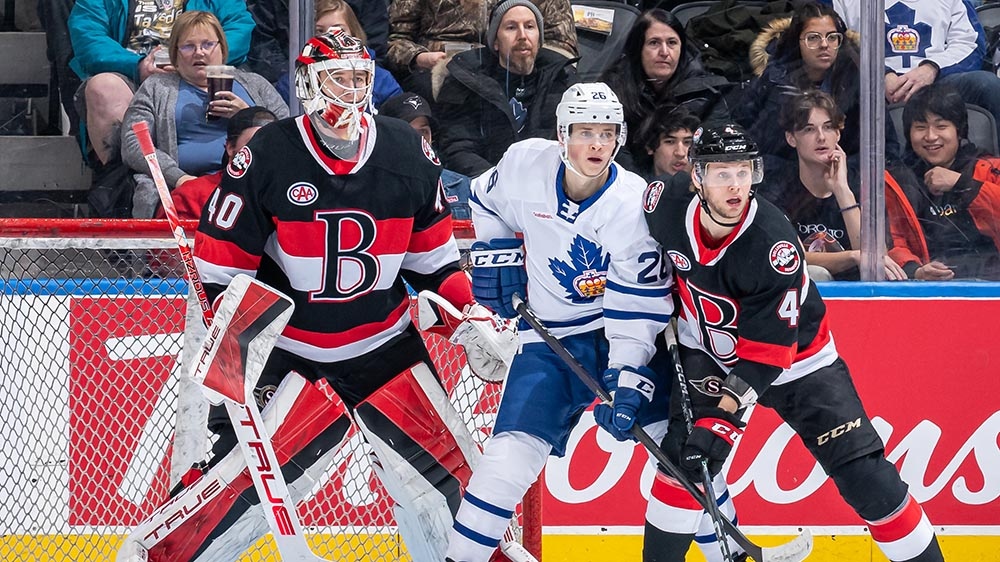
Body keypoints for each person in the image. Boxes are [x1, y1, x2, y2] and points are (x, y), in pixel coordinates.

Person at [181, 28, 516, 562]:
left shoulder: (407, 149)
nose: (351, 91)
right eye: (338, 78)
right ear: (309, 84)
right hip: (292, 354)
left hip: (384, 349)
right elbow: (222, 268)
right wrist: (237, 340)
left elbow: (433, 262)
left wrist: (467, 313)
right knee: (234, 494)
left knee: (456, 493)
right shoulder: (268, 152)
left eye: (360, 78)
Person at [445, 83, 744, 562]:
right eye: (585, 132)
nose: (597, 145)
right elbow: (482, 202)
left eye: (607, 133)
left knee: (682, 452)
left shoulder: (633, 206)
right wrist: (494, 251)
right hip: (550, 339)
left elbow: (639, 308)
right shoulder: (524, 164)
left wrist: (628, 377)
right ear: (562, 134)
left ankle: (728, 553)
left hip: (622, 336)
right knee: (506, 461)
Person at [643, 122, 946, 562]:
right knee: (682, 467)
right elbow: (620, 231)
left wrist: (721, 421)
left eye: (743, 172)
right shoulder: (664, 203)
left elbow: (768, 355)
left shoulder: (772, 243)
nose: (735, 185)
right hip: (707, 351)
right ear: (696, 177)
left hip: (801, 364)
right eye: (722, 173)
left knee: (865, 477)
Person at [120, 11, 288, 219]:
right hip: (184, 189)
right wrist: (179, 178)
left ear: (222, 48)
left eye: (208, 44)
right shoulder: (156, 87)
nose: (199, 52)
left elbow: (288, 136)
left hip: (252, 184)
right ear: (175, 54)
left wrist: (247, 115)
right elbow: (133, 142)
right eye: (188, 46)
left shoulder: (256, 84)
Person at [68, 0, 253, 167]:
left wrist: (189, 60)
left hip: (197, 74)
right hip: (131, 75)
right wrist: (138, 65)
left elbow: (239, 28)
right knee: (103, 87)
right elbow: (87, 37)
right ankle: (121, 185)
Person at [759, 89, 906, 281]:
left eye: (828, 127)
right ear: (791, 138)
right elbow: (788, 256)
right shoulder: (776, 187)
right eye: (809, 129)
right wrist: (853, 257)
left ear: (838, 134)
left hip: (857, 295)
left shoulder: (861, 184)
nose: (821, 137)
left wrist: (842, 191)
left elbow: (877, 258)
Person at [736, 1, 900, 167]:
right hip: (784, 179)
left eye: (832, 37)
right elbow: (751, 142)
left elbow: (886, 149)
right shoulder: (774, 81)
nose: (824, 45)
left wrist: (842, 170)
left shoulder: (859, 81)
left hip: (850, 177)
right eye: (813, 38)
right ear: (796, 42)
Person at [433, 0, 577, 177]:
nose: (522, 35)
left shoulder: (562, 80)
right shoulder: (466, 81)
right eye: (511, 27)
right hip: (484, 186)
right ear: (495, 42)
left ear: (539, 39)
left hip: (547, 185)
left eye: (530, 26)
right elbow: (457, 148)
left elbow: (575, 146)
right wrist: (498, 183)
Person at [829, 0, 1000, 141]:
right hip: (868, 84)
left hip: (938, 82)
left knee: (987, 85)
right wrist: (880, 73)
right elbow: (834, 43)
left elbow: (970, 43)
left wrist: (931, 69)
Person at [886, 83, 1000, 280]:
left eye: (941, 126)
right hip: (927, 286)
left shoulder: (990, 168)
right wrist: (916, 271)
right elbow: (893, 241)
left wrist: (962, 182)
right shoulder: (896, 181)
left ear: (959, 130)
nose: (931, 136)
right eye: (920, 127)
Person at [601, 9, 732, 175]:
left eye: (672, 43)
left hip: (688, 186)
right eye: (654, 43)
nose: (664, 52)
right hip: (628, 184)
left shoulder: (706, 92)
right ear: (638, 48)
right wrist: (641, 188)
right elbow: (612, 148)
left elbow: (716, 153)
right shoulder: (613, 89)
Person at [387, 0, 577, 102]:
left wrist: (521, 62)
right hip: (437, 70)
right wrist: (420, 57)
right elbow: (395, 40)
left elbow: (562, 46)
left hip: (516, 69)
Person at [246, 0, 389, 99]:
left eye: (339, 30)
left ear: (353, 32)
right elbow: (262, 44)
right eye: (319, 31)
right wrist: (299, 73)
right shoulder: (289, 84)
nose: (330, 36)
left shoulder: (380, 78)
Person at [154, 106, 278, 221]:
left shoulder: (290, 196)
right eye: (254, 143)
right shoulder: (190, 195)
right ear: (230, 147)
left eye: (271, 145)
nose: (262, 151)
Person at [378, 91, 472, 219]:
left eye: (423, 132)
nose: (417, 139)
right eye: (407, 131)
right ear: (386, 137)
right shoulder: (370, 190)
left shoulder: (461, 186)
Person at [635, 104, 700, 181]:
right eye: (670, 142)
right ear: (649, 146)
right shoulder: (635, 189)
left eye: (687, 142)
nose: (680, 153)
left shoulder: (709, 189)